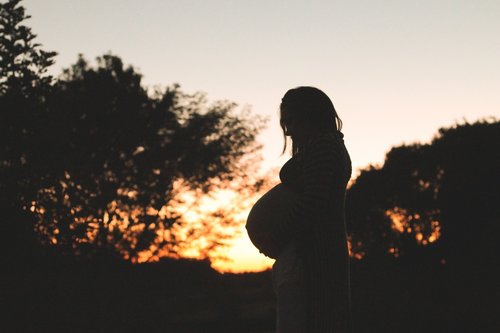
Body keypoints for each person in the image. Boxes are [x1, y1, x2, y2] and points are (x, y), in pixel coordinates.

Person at [269, 86, 352, 332]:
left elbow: (312, 205)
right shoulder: (322, 148)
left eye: (292, 121)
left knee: (317, 321)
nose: (289, 130)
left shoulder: (324, 149)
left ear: (311, 116)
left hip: (318, 257)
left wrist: (277, 237)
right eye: (285, 123)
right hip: (313, 253)